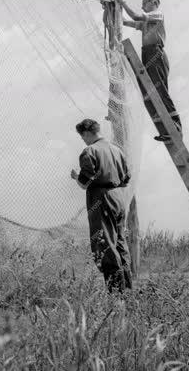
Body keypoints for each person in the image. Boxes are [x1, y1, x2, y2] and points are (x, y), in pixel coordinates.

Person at [70, 118, 132, 293]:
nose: (83, 140)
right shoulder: (117, 150)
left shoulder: (89, 151)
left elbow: (84, 182)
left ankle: (115, 293)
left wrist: (76, 177)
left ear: (88, 133)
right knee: (120, 242)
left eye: (83, 137)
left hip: (101, 198)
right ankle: (127, 289)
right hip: (119, 197)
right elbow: (126, 179)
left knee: (105, 243)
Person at [117, 0, 182, 142]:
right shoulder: (145, 23)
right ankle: (166, 129)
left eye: (154, 1)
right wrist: (113, 7)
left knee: (160, 90)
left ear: (157, 5)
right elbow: (125, 22)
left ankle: (176, 127)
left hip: (156, 53)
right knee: (148, 92)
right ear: (144, 6)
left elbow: (135, 16)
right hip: (147, 53)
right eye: (147, 0)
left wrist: (122, 1)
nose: (151, 2)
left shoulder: (157, 15)